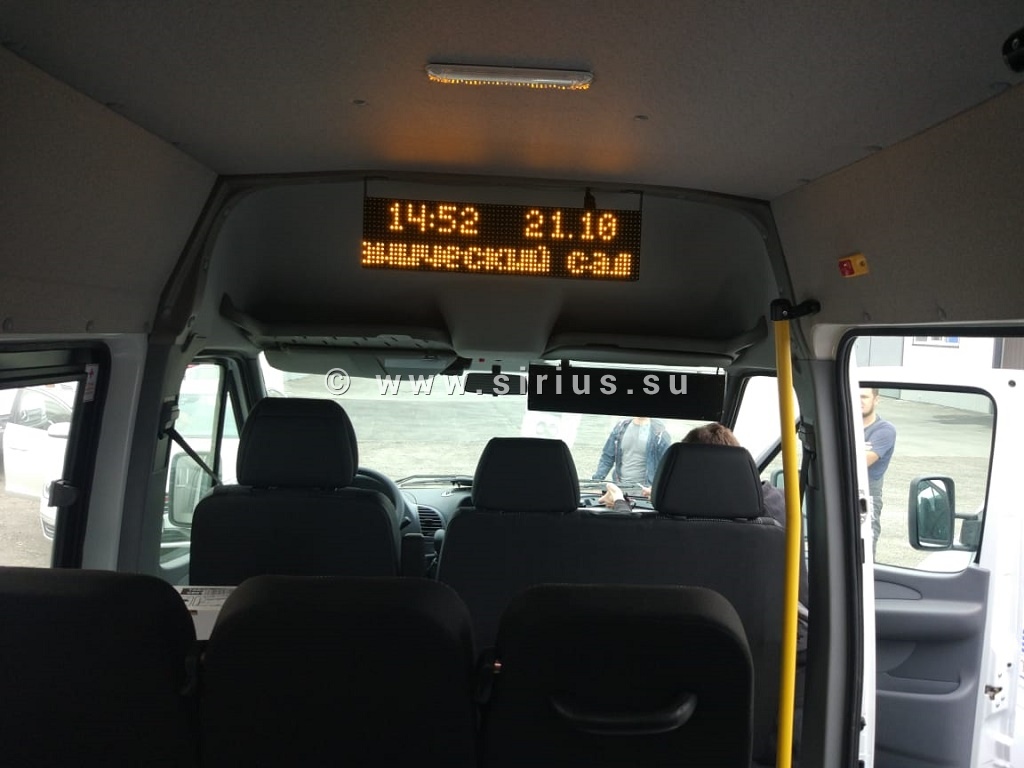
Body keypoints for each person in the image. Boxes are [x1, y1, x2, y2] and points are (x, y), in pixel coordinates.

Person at [591, 416, 671, 495]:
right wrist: (596, 483)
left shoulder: (660, 433)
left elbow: (666, 467)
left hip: (645, 492)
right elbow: (607, 457)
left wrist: (658, 490)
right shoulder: (620, 427)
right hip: (620, 489)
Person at [860, 387, 897, 556]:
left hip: (865, 499)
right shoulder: (843, 425)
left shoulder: (884, 430)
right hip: (838, 494)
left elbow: (862, 461)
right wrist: (860, 449)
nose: (859, 401)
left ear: (876, 400)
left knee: (864, 551)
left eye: (864, 397)